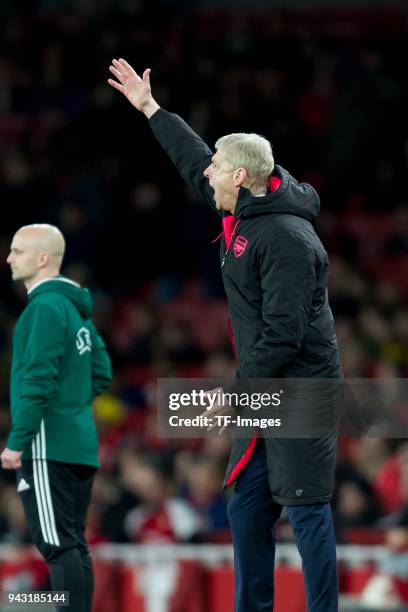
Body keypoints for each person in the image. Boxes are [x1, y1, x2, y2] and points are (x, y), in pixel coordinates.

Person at [108, 58, 342, 611]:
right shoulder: (250, 209)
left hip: (301, 390)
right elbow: (193, 160)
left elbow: (285, 334)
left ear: (240, 177)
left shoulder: (284, 237)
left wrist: (234, 397)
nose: (207, 172)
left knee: (307, 510)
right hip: (268, 388)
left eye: (218, 166)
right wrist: (150, 108)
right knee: (246, 507)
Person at [1, 224, 112, 612]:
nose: (9, 258)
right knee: (73, 544)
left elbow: (37, 379)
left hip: (48, 446)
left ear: (43, 258)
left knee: (59, 547)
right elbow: (102, 372)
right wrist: (71, 406)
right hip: (80, 444)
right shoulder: (75, 309)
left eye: (17, 251)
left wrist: (17, 441)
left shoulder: (43, 308)